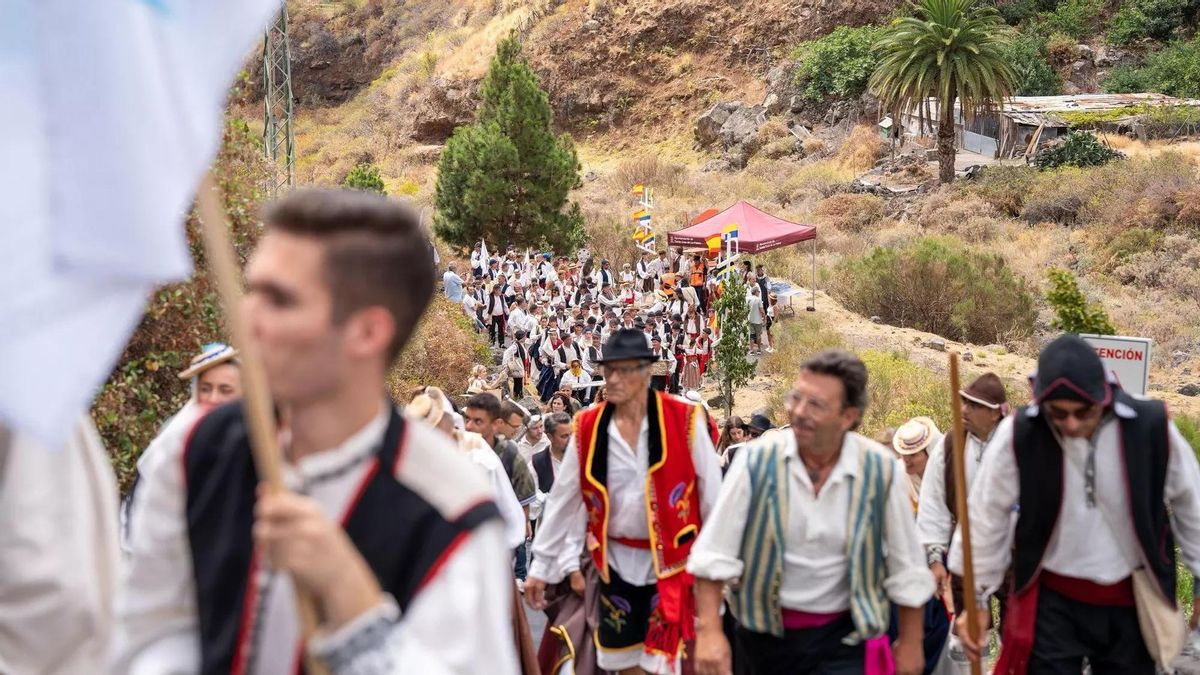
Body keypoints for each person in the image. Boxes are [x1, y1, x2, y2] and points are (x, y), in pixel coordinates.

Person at [115, 188, 516, 674]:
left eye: (279, 300)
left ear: (368, 332)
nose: (245, 318)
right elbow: (145, 633)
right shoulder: (193, 447)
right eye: (251, 291)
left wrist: (352, 602)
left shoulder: (452, 510)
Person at [951, 334, 1200, 674]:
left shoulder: (1150, 427)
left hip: (1131, 600)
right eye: (1059, 413)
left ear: (1104, 397)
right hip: (1053, 603)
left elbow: (1192, 506)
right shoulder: (1020, 434)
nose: (1070, 423)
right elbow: (985, 516)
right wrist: (977, 599)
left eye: (1083, 412)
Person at [689, 350, 934, 675]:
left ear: (848, 416)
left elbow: (907, 566)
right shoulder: (756, 461)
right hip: (762, 641)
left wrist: (912, 642)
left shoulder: (879, 469)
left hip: (846, 641)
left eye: (815, 404)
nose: (799, 412)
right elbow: (713, 554)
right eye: (796, 398)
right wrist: (709, 632)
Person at [526, 328, 723, 675]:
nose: (613, 379)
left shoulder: (685, 419)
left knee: (665, 664)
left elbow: (712, 500)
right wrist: (541, 567)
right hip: (613, 565)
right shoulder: (587, 427)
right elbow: (563, 500)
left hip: (673, 566)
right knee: (624, 663)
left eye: (624, 370)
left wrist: (718, 571)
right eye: (609, 370)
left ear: (646, 372)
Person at [917, 372, 1008, 624]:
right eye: (964, 402)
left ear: (994, 413)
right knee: (968, 627)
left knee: (1016, 629)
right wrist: (935, 558)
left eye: (974, 405)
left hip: (1010, 554)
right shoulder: (950, 445)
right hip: (965, 551)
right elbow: (933, 503)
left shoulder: (1015, 443)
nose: (964, 410)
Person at [464, 394, 539, 593]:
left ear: (496, 424)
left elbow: (523, 494)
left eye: (478, 421)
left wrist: (522, 524)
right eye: (467, 419)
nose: (469, 426)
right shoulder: (457, 448)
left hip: (500, 539)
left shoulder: (509, 454)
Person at [892, 416, 942, 514]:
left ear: (929, 454)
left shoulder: (943, 477)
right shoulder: (896, 475)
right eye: (904, 454)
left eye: (913, 455)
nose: (906, 460)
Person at [504, 329, 532, 398]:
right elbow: (507, 353)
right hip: (519, 366)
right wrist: (506, 364)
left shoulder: (521, 344)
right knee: (518, 381)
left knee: (519, 381)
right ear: (522, 337)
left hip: (522, 365)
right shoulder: (515, 346)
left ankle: (518, 395)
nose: (525, 338)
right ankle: (518, 395)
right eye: (524, 336)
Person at [746, 287, 765, 355]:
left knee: (752, 335)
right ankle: (759, 349)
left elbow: (746, 309)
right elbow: (761, 310)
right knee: (758, 335)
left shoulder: (748, 299)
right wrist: (764, 317)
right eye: (758, 291)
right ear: (756, 292)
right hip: (758, 320)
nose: (759, 293)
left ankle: (751, 350)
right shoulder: (758, 299)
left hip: (750, 320)